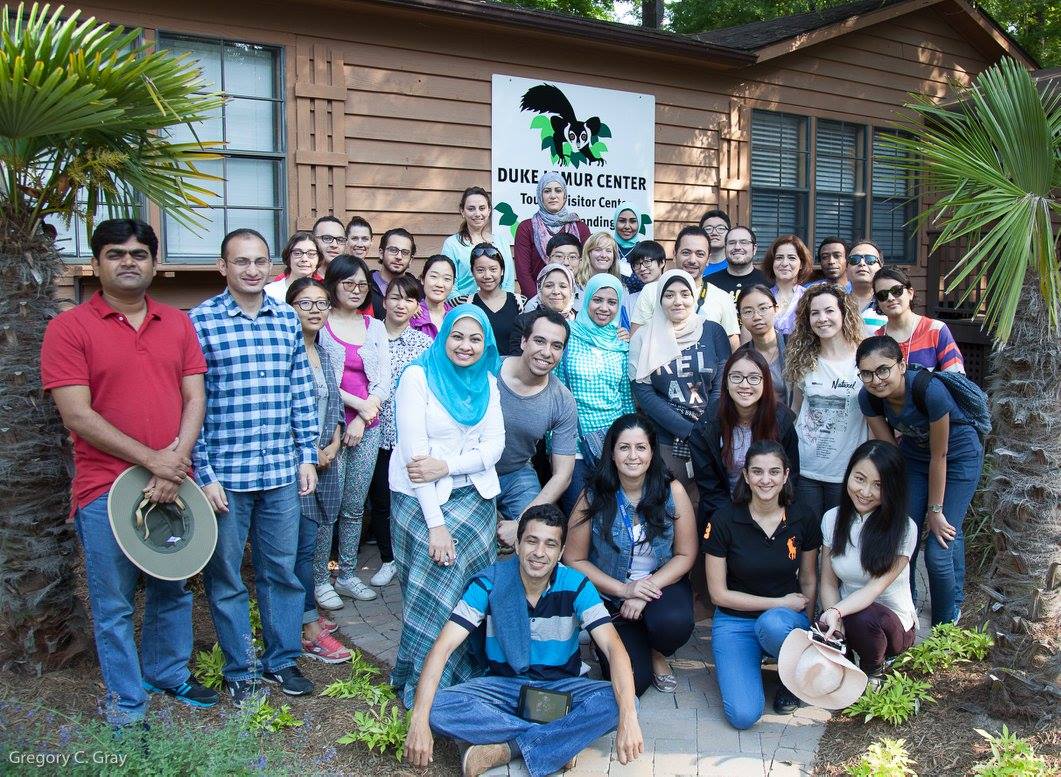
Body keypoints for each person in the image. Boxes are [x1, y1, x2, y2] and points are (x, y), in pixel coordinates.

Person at [41, 219, 215, 724]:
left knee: (172, 584)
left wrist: (174, 461)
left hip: (172, 479)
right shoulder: (69, 328)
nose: (128, 262)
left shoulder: (177, 323)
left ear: (154, 263)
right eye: (116, 254)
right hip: (104, 488)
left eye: (139, 254)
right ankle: (127, 701)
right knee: (113, 600)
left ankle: (167, 673)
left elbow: (194, 396)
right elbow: (76, 414)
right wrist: (153, 459)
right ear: (96, 264)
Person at [403, 505, 643, 777]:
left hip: (560, 689)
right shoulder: (490, 583)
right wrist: (419, 721)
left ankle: (508, 748)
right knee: (434, 707)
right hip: (504, 688)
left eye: (550, 544)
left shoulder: (576, 585)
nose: (540, 553)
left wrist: (629, 720)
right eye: (532, 541)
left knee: (624, 703)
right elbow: (442, 648)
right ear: (517, 545)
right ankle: (558, 743)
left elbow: (613, 648)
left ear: (561, 553)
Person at [190, 228, 318, 702]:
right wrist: (202, 473)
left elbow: (300, 392)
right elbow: (192, 403)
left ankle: (281, 661)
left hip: (281, 471)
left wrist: (307, 454)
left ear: (270, 267)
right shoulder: (200, 322)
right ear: (223, 267)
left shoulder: (286, 319)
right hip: (226, 476)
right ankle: (239, 668)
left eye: (259, 261)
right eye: (240, 261)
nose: (251, 269)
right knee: (225, 576)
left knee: (280, 570)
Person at [389, 305, 505, 708]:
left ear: (486, 343)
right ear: (444, 337)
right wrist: (436, 525)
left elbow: (494, 446)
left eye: (476, 339)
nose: (466, 346)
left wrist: (449, 465)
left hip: (474, 496)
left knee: (472, 588)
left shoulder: (488, 382)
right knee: (436, 580)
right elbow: (415, 460)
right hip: (422, 502)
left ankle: (465, 675)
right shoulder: (417, 377)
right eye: (458, 336)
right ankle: (423, 683)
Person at [565, 415, 697, 696]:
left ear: (652, 452)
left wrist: (642, 591)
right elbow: (574, 560)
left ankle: (656, 650)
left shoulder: (672, 491)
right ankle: (627, 640)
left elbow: (685, 554)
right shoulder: (593, 496)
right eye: (624, 448)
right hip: (611, 595)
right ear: (612, 453)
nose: (633, 456)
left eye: (641, 447)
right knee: (633, 684)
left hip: (660, 587)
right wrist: (625, 590)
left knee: (672, 624)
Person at [856, 335, 983, 625]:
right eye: (866, 373)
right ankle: (906, 612)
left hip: (958, 457)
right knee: (904, 537)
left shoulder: (929, 390)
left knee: (939, 549)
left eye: (883, 369)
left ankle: (945, 622)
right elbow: (891, 453)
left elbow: (941, 456)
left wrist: (934, 512)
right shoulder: (868, 399)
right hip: (913, 459)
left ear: (901, 365)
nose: (876, 380)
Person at [703, 440, 820, 727]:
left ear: (785, 475)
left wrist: (807, 628)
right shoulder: (723, 520)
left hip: (783, 622)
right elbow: (718, 594)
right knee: (743, 716)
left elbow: (807, 578)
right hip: (735, 622)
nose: (765, 480)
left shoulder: (803, 517)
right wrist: (779, 602)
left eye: (773, 472)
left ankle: (790, 677)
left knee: (772, 625)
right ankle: (755, 663)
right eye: (757, 472)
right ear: (745, 475)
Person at [317, 255, 391, 607]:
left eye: (362, 285)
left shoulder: (374, 327)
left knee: (354, 506)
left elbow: (384, 381)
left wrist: (364, 415)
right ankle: (320, 579)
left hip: (368, 427)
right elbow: (323, 378)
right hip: (330, 427)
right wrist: (356, 408)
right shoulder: (321, 323)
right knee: (327, 506)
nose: (356, 290)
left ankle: (346, 574)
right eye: (349, 284)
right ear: (333, 284)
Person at [285, 277, 352, 664]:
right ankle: (308, 629)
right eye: (305, 303)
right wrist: (310, 452)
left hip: (328, 459)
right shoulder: (286, 354)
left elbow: (337, 406)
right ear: (289, 308)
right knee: (300, 548)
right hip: (299, 467)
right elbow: (281, 414)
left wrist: (334, 441)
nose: (315, 310)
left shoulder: (324, 351)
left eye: (322, 303)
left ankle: (303, 611)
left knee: (313, 545)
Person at [818, 440, 919, 681]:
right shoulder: (832, 519)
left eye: (878, 485)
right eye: (859, 479)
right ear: (848, 475)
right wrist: (835, 620)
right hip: (847, 618)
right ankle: (845, 656)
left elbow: (874, 589)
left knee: (862, 616)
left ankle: (874, 672)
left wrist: (836, 611)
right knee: (837, 622)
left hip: (890, 625)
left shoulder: (904, 528)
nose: (865, 492)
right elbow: (829, 583)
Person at [629, 269, 731, 501]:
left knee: (708, 503)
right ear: (659, 299)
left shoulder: (713, 331)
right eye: (669, 295)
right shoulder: (644, 337)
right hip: (666, 438)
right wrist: (688, 431)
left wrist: (705, 426)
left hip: (712, 433)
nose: (678, 301)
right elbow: (643, 392)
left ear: (693, 296)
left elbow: (722, 382)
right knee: (670, 504)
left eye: (685, 294)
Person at [367, 275, 434, 588]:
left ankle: (413, 555)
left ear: (416, 306)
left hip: (410, 436)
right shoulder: (369, 335)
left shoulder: (424, 344)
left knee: (413, 497)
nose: (400, 304)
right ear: (384, 300)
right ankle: (387, 559)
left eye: (408, 299)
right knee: (381, 499)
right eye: (394, 297)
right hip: (374, 433)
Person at [690, 350, 799, 531]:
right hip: (724, 516)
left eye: (754, 378)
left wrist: (769, 518)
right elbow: (710, 489)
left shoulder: (782, 421)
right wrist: (737, 522)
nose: (745, 385)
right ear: (725, 381)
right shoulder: (706, 426)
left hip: (772, 515)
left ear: (766, 382)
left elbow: (790, 479)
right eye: (736, 377)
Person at [785, 284, 868, 522]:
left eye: (829, 311)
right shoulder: (803, 360)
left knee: (839, 540)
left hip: (847, 470)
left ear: (844, 313)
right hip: (807, 467)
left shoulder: (862, 359)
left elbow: (873, 416)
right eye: (815, 313)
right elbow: (796, 410)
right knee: (808, 539)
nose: (822, 319)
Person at [495, 309, 578, 547]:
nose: (546, 352)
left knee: (537, 533)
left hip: (516, 473)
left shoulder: (562, 400)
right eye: (539, 341)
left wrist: (522, 521)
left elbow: (563, 474)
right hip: (470, 471)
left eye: (556, 345)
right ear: (523, 341)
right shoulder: (489, 371)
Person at [556, 274, 635, 512]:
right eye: (597, 300)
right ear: (587, 299)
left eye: (612, 302)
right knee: (577, 514)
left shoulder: (621, 341)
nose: (604, 308)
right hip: (574, 442)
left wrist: (629, 440)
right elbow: (557, 388)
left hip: (611, 444)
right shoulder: (568, 335)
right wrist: (554, 446)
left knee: (612, 516)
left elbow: (626, 398)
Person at [632, 226, 740, 351]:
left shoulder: (722, 298)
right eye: (686, 253)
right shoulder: (651, 291)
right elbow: (636, 343)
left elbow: (733, 348)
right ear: (674, 254)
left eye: (700, 254)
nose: (692, 260)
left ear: (708, 259)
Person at [873, 266, 964, 372]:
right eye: (882, 295)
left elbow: (956, 379)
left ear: (910, 293)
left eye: (896, 291)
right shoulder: (876, 338)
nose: (890, 298)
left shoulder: (936, 330)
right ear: (878, 302)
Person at [514, 173, 591, 296]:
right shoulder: (527, 228)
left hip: (574, 299)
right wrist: (539, 302)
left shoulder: (581, 228)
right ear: (540, 195)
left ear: (565, 196)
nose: (553, 196)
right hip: (537, 300)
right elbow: (523, 273)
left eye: (558, 191)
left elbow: (586, 268)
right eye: (547, 191)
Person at [454, 242, 526, 358]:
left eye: (493, 269)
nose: (487, 275)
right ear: (472, 272)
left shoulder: (520, 302)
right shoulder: (463, 303)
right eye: (480, 270)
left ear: (502, 270)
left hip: (511, 370)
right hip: (476, 371)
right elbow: (437, 308)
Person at [442, 186, 516, 298]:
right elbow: (448, 284)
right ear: (462, 211)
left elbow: (508, 283)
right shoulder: (452, 244)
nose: (477, 214)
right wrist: (467, 308)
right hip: (464, 309)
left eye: (482, 208)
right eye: (471, 209)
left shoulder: (502, 242)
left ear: (489, 210)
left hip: (498, 307)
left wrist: (504, 306)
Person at [736, 285, 790, 406]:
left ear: (776, 309)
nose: (756, 317)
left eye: (763, 308)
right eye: (748, 311)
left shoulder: (793, 348)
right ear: (740, 318)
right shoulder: (740, 357)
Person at [510, 262, 577, 353]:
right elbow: (516, 360)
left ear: (572, 290)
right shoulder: (524, 322)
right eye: (549, 286)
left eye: (563, 286)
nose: (556, 291)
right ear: (540, 289)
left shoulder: (581, 320)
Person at [761, 235, 812, 335]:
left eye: (791, 258)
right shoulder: (762, 298)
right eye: (779, 258)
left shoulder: (809, 297)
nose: (784, 263)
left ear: (801, 264)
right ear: (772, 263)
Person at [710, 225, 769, 302]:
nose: (737, 247)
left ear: (754, 249)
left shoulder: (769, 283)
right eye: (732, 243)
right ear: (725, 248)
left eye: (744, 242)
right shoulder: (709, 284)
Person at [368, 228, 416, 318]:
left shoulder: (418, 292)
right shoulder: (364, 285)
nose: (399, 257)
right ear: (381, 253)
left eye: (405, 253)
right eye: (393, 250)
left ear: (411, 259)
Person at [264, 231, 324, 302]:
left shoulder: (325, 292)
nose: (304, 259)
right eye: (297, 253)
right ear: (288, 257)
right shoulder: (269, 292)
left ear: (318, 259)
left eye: (311, 254)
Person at [410, 254, 456, 339]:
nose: (439, 284)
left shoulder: (457, 317)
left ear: (453, 283)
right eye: (434, 277)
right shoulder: (411, 314)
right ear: (422, 279)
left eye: (447, 279)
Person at [847, 239, 887, 333]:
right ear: (846, 269)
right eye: (854, 260)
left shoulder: (890, 302)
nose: (862, 263)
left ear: (880, 267)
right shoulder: (836, 302)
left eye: (870, 260)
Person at [624, 240, 666, 321]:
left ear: (662, 262)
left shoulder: (672, 295)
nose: (642, 268)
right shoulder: (629, 301)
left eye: (647, 262)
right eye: (636, 264)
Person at [612, 202, 645, 284]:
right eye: (622, 221)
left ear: (639, 223)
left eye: (633, 221)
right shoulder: (607, 248)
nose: (627, 226)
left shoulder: (644, 251)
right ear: (615, 222)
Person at [698, 208, 731, 277]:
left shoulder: (735, 265)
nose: (714, 233)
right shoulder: (694, 264)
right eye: (708, 229)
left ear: (729, 233)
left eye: (721, 228)